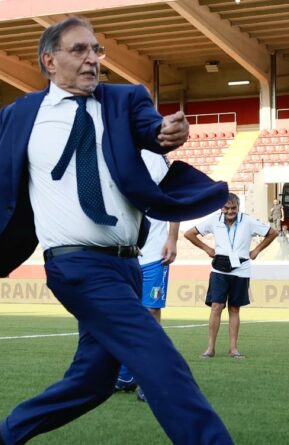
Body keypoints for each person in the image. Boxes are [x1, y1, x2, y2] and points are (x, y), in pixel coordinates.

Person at [0, 16, 233, 445]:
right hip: (74, 264)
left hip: (127, 266)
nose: (93, 59)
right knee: (160, 361)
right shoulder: (21, 114)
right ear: (50, 61)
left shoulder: (124, 99)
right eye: (80, 50)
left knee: (93, 381)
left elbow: (152, 129)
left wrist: (167, 132)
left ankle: (2, 436)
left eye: (97, 50)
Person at [113, 151, 179, 403]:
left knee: (150, 313)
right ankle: (128, 374)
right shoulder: (117, 152)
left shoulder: (154, 157)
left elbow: (172, 201)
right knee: (127, 314)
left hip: (154, 251)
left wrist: (172, 239)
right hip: (127, 251)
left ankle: (153, 379)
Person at [184, 193, 278, 359]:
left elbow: (272, 232)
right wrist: (207, 249)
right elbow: (189, 233)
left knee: (235, 308)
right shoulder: (214, 220)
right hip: (219, 269)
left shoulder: (248, 221)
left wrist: (256, 250)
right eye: (226, 208)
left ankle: (233, 349)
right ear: (221, 208)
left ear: (238, 207)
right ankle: (210, 348)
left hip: (241, 269)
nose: (230, 211)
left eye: (233, 208)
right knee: (216, 307)